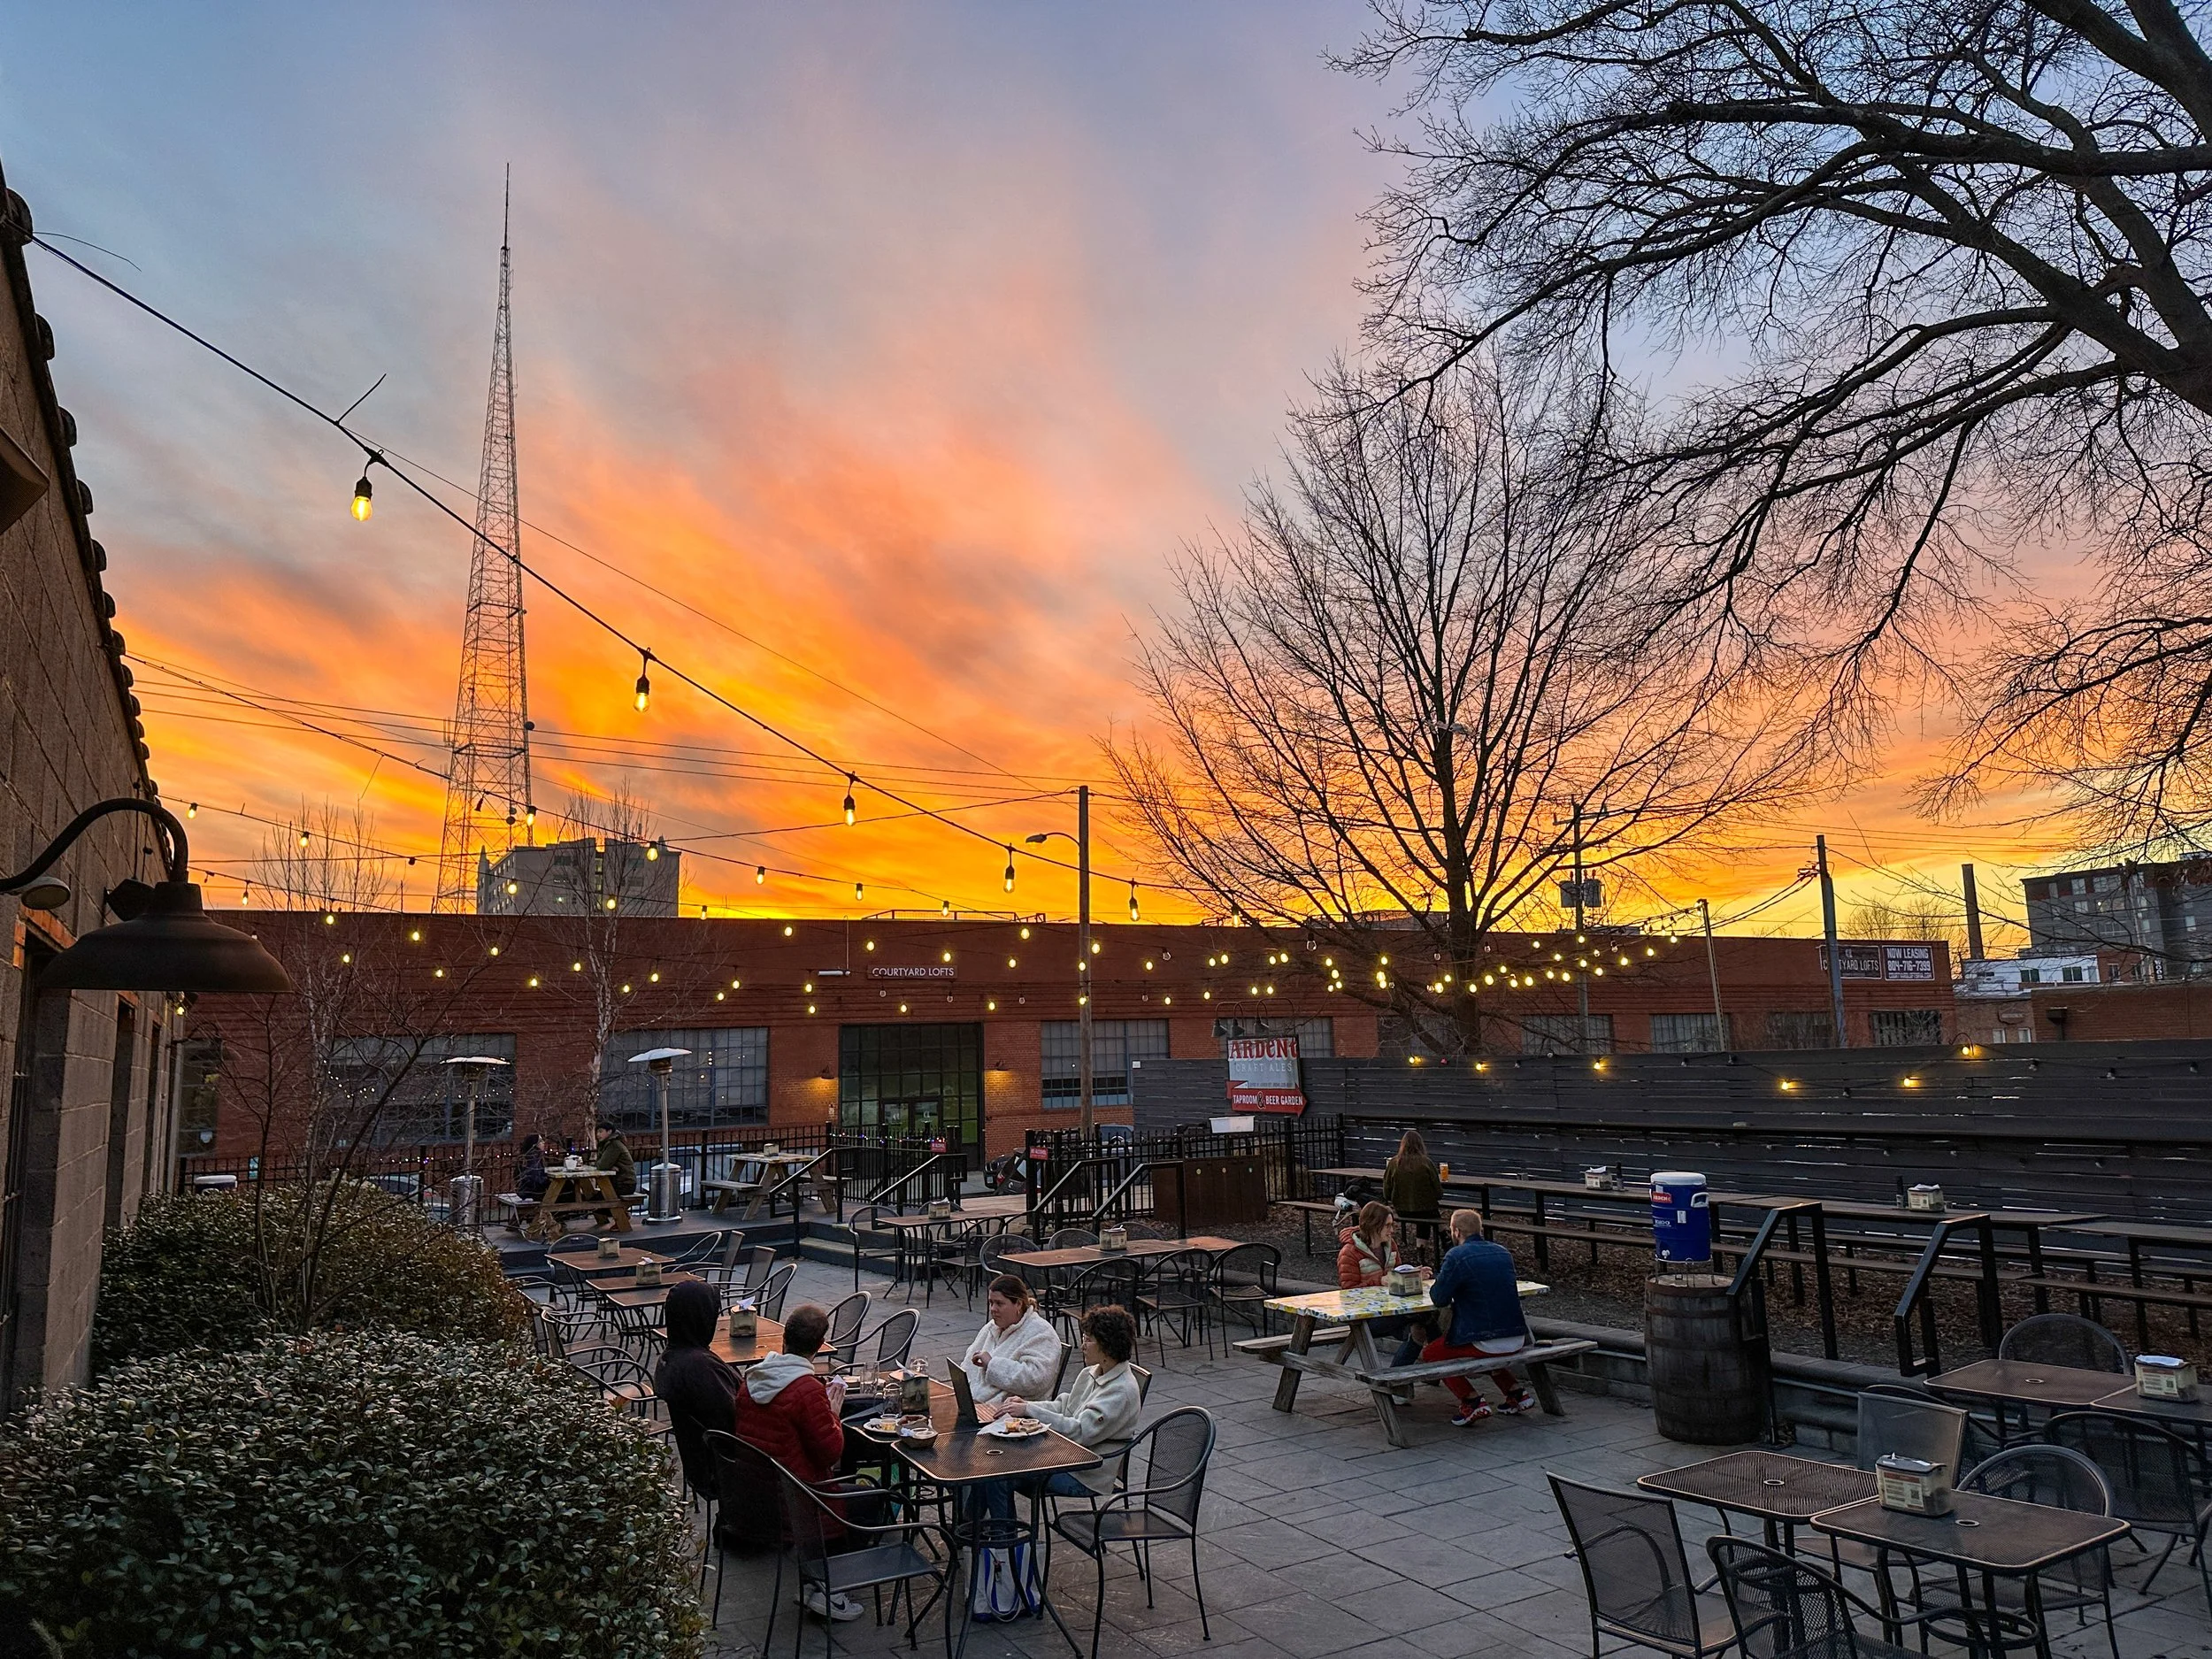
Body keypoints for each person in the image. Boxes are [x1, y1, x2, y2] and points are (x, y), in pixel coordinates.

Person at [733, 1304, 863, 1622]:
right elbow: (831, 1452)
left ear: (784, 1338)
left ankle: (814, 1578)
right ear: (819, 1346)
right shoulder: (806, 1389)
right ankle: (829, 1589)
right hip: (801, 1500)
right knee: (872, 1500)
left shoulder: (752, 1380)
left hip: (760, 1495)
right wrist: (833, 1412)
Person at [976, 1305, 1142, 1520]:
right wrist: (1025, 1405)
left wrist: (1030, 1410)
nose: (1083, 1345)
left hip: (1085, 1473)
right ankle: (972, 1530)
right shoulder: (1092, 1371)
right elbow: (1065, 1405)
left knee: (998, 1474)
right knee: (988, 1469)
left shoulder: (1121, 1391)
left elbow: (1080, 1431)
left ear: (1107, 1346)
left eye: (1089, 1339)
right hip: (1067, 1457)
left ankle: (1005, 1542)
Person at [1423, 1209, 1537, 1425]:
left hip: (1484, 1337)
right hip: (1516, 1335)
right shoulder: (1503, 1252)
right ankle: (1515, 1392)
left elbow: (1439, 1298)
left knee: (1432, 1354)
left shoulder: (1457, 1256)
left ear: (1456, 1232)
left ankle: (1471, 1401)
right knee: (1487, 1351)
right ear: (1480, 1230)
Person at [656, 1279, 738, 1506]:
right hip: (732, 1465)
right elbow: (735, 1421)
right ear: (701, 1318)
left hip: (705, 1464)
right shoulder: (700, 1368)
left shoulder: (672, 1356)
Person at [1339, 1202, 1432, 1365]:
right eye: (1387, 1226)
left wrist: (1414, 1276)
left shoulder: (1391, 1246)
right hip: (1366, 1316)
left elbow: (1397, 1275)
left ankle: (1399, 1378)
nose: (1392, 1231)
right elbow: (1347, 1291)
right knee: (1423, 1318)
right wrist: (1379, 1281)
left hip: (1391, 1310)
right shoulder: (1349, 1253)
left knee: (1420, 1328)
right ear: (1374, 1225)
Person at [962, 1276, 1061, 1405]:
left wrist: (992, 1364)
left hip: (1013, 1412)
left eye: (999, 1303)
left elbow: (1036, 1380)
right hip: (977, 1403)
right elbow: (967, 1367)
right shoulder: (991, 1327)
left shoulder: (1041, 1332)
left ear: (1018, 1304)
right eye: (991, 1303)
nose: (993, 1309)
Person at [1383, 1128, 1443, 1263]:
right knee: (1430, 1213)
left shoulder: (1394, 1163)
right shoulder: (1426, 1163)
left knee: (1429, 1212)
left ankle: (1441, 1237)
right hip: (1425, 1210)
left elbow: (1386, 1191)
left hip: (1402, 1209)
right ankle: (1424, 1251)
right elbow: (1438, 1193)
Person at [592, 1120, 637, 1197]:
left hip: (624, 1184)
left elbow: (602, 1165)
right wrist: (610, 1167)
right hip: (618, 1182)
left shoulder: (614, 1144)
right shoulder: (606, 1144)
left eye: (600, 1132)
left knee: (597, 1200)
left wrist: (606, 1166)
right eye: (597, 1132)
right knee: (595, 1198)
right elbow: (599, 1163)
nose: (598, 1135)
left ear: (609, 1132)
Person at [515, 1133, 550, 1202]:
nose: (543, 1142)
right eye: (540, 1141)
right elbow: (535, 1179)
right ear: (534, 1144)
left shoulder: (532, 1156)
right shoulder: (532, 1158)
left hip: (525, 1190)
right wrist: (548, 1180)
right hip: (531, 1193)